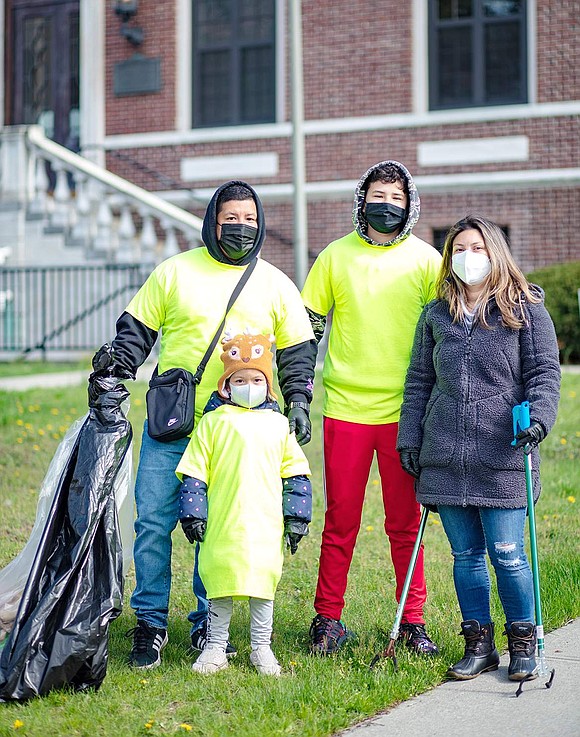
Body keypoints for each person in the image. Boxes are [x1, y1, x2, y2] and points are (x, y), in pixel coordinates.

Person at [89, 181, 317, 669]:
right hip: (171, 425)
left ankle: (204, 624)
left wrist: (299, 399)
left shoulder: (276, 283)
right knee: (152, 523)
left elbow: (298, 350)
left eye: (250, 220)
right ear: (213, 220)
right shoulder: (174, 272)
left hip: (236, 432)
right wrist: (114, 377)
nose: (241, 228)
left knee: (212, 527)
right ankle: (149, 623)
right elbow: (136, 332)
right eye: (231, 219)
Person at [397, 215, 560, 681]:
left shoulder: (524, 309)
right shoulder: (436, 315)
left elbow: (545, 374)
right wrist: (410, 437)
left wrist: (540, 420)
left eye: (479, 248)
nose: (470, 257)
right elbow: (419, 382)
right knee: (465, 557)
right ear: (450, 258)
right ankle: (479, 644)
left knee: (507, 553)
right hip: (445, 455)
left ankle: (523, 642)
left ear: (495, 253)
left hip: (504, 454)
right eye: (460, 249)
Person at [301, 160, 442, 655]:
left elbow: (443, 335)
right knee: (341, 519)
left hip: (407, 413)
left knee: (407, 523)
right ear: (362, 200)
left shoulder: (428, 261)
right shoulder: (334, 258)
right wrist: (297, 392)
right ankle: (326, 620)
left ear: (410, 205)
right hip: (345, 409)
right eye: (378, 196)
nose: (387, 206)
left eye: (396, 198)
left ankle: (413, 621)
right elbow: (308, 329)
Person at [175, 331, 312, 676]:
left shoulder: (280, 426)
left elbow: (296, 474)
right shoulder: (213, 423)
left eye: (255, 379)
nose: (247, 385)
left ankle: (261, 647)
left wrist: (296, 518)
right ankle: (215, 646)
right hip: (224, 522)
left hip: (264, 525)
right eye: (239, 379)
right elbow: (195, 471)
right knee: (220, 584)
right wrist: (193, 512)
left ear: (267, 386)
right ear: (226, 385)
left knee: (262, 585)